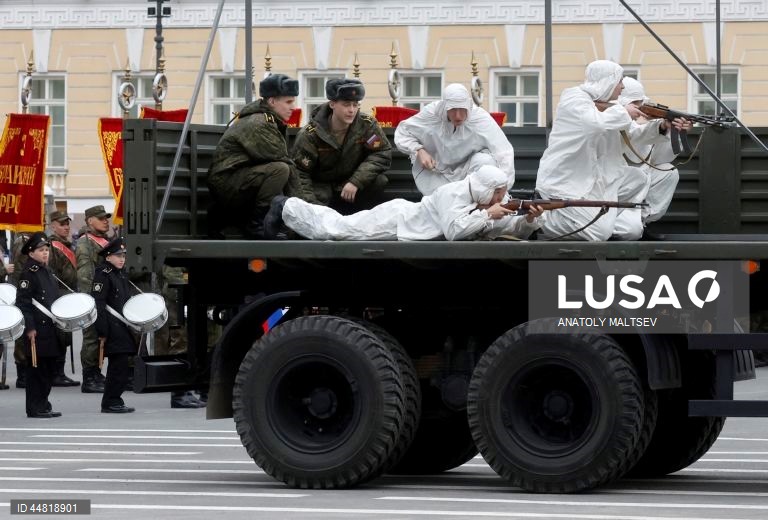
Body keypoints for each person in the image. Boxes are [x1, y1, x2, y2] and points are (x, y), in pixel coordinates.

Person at [264, 165, 542, 241]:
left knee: (338, 228)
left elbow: (507, 230)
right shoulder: (452, 194)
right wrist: (488, 215)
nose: (500, 199)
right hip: (397, 220)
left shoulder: (484, 205)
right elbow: (455, 232)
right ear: (484, 188)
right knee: (336, 230)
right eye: (497, 193)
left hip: (404, 227)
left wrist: (529, 220)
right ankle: (286, 207)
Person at [535, 60, 653, 241]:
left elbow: (634, 134)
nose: (622, 87)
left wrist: (662, 127)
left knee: (637, 179)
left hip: (596, 180)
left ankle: (593, 220)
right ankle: (543, 222)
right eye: (619, 81)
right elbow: (594, 124)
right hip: (566, 182)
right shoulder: (574, 98)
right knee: (599, 234)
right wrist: (624, 111)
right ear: (609, 80)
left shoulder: (609, 108)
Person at [207, 73, 301, 238]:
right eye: (288, 102)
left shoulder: (267, 120)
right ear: (272, 101)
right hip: (228, 185)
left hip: (236, 180)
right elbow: (284, 163)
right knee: (279, 170)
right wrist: (303, 211)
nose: (293, 107)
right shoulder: (259, 123)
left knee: (279, 171)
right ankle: (257, 224)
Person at [394, 83, 515, 196]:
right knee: (443, 205)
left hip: (469, 174)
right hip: (436, 172)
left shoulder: (479, 118)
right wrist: (419, 150)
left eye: (462, 109)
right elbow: (403, 131)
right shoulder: (431, 114)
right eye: (453, 109)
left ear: (468, 106)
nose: (458, 115)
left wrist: (503, 189)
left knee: (485, 161)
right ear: (444, 107)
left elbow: (503, 152)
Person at [292, 78, 392, 214]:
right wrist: (312, 210)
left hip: (351, 189)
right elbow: (300, 173)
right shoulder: (311, 134)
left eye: (355, 105)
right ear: (332, 104)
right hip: (322, 190)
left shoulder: (366, 126)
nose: (352, 110)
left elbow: (381, 153)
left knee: (379, 181)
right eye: (346, 104)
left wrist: (356, 181)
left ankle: (364, 220)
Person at [617, 77, 691, 235]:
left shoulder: (648, 125)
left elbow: (661, 159)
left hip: (637, 185)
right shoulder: (610, 121)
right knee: (630, 232)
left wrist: (670, 129)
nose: (639, 108)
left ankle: (642, 221)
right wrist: (651, 125)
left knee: (669, 171)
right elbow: (633, 133)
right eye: (635, 103)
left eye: (640, 103)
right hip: (614, 188)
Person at [15, 232, 64, 418]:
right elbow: (23, 303)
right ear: (31, 253)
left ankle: (43, 403)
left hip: (50, 328)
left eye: (46, 250)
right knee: (37, 370)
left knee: (49, 368)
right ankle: (35, 407)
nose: (45, 253)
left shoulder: (47, 271)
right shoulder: (29, 274)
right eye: (41, 250)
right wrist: (30, 328)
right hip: (37, 329)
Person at [91, 237, 136, 413]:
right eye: (118, 255)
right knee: (117, 367)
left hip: (122, 325)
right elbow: (99, 304)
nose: (122, 259)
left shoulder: (120, 274)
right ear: (108, 257)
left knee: (121, 366)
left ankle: (115, 399)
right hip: (111, 326)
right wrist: (102, 331)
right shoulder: (103, 275)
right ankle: (110, 401)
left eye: (123, 255)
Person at [76, 205, 113, 393]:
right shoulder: (86, 243)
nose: (106, 220)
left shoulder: (103, 241)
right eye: (101, 218)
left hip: (104, 296)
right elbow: (85, 275)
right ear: (90, 221)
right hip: (93, 297)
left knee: (101, 337)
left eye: (106, 217)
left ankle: (97, 373)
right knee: (91, 336)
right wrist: (93, 301)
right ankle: (89, 377)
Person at [46, 210, 80, 387]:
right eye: (62, 224)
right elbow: (51, 274)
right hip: (59, 295)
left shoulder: (67, 244)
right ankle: (56, 373)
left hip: (69, 293)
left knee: (65, 335)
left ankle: (59, 372)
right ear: (53, 226)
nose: (66, 227)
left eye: (67, 224)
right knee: (60, 335)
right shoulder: (52, 246)